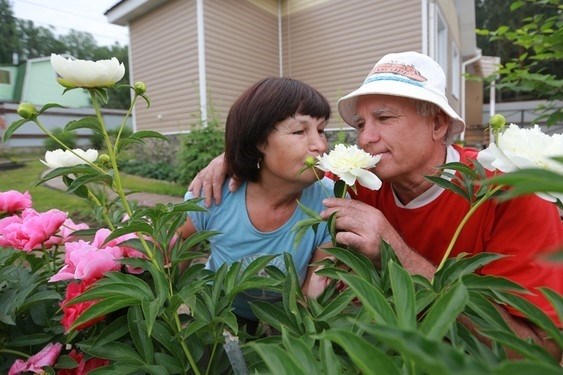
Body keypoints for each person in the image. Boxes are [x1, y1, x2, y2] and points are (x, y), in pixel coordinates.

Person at [188, 52, 563, 357]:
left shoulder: (512, 194)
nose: (365, 139)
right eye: (360, 124)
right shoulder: (359, 184)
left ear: (436, 124)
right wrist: (235, 158)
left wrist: (397, 254)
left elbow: (540, 353)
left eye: (383, 118)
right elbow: (289, 170)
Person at [179, 76, 335, 332]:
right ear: (258, 141)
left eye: (321, 130)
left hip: (287, 311)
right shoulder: (214, 193)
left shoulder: (328, 202)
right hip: (218, 310)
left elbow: (313, 293)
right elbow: (175, 255)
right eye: (299, 131)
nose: (319, 145)